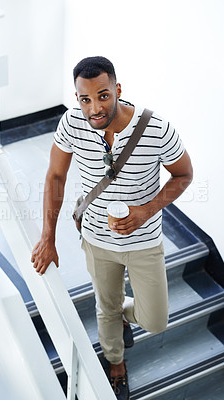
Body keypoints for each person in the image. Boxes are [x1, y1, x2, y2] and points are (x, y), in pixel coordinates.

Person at [31, 56, 193, 400]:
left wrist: (146, 211)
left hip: (144, 242)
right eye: (85, 99)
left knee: (155, 320)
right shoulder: (72, 123)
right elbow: (56, 176)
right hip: (96, 239)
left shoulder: (156, 129)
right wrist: (48, 237)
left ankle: (122, 316)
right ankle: (116, 364)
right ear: (77, 98)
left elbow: (184, 175)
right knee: (105, 308)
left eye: (103, 96)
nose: (94, 108)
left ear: (118, 89)